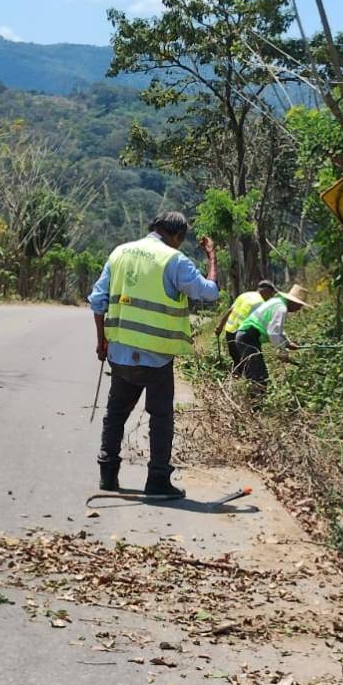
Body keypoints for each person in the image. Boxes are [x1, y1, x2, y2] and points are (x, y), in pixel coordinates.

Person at [89, 211, 219, 499]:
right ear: (178, 236)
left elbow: (97, 301)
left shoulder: (120, 253)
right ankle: (157, 479)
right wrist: (212, 258)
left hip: (121, 353)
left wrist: (102, 342)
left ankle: (107, 475)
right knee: (160, 417)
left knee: (115, 414)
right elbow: (209, 293)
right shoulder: (174, 260)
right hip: (157, 358)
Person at [233, 283, 310, 392]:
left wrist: (287, 343)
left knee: (256, 374)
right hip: (248, 337)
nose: (299, 308)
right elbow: (273, 332)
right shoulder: (281, 308)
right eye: (299, 305)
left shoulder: (277, 303)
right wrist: (282, 352)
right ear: (293, 302)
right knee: (259, 376)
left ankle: (254, 403)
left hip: (246, 336)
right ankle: (257, 407)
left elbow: (277, 329)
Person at [215, 279, 276, 367]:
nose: (270, 297)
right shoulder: (260, 303)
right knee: (248, 362)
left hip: (229, 331)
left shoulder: (244, 295)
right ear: (265, 291)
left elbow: (230, 310)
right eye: (270, 294)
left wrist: (220, 326)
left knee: (237, 361)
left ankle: (236, 377)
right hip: (242, 335)